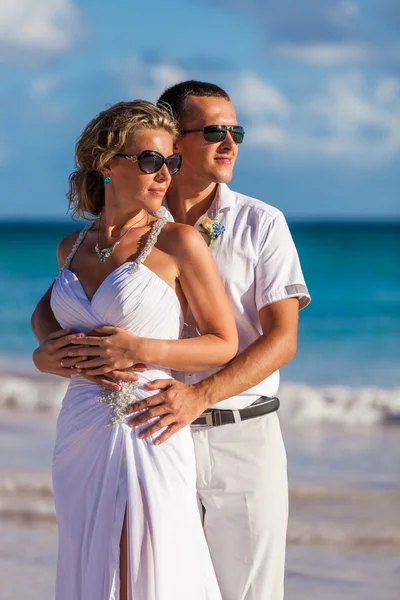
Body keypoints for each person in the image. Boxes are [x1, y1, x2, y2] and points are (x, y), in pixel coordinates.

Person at [32, 81, 311, 600]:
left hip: (233, 431)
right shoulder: (94, 241)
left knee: (241, 589)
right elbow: (53, 309)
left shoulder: (259, 223)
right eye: (213, 131)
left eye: (236, 131)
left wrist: (192, 392)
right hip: (121, 425)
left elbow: (280, 340)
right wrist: (52, 354)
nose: (229, 143)